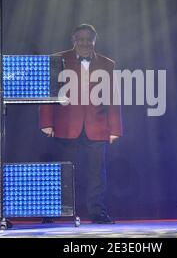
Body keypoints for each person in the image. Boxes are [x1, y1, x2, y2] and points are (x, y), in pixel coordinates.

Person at [39, 24, 122, 224]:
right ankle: (53, 211)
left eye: (88, 39)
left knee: (97, 173)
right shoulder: (57, 59)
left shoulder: (107, 64)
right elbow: (47, 90)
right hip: (65, 125)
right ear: (73, 40)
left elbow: (113, 97)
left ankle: (97, 212)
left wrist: (115, 128)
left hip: (97, 126)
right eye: (80, 39)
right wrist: (46, 121)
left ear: (94, 41)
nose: (84, 43)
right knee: (61, 171)